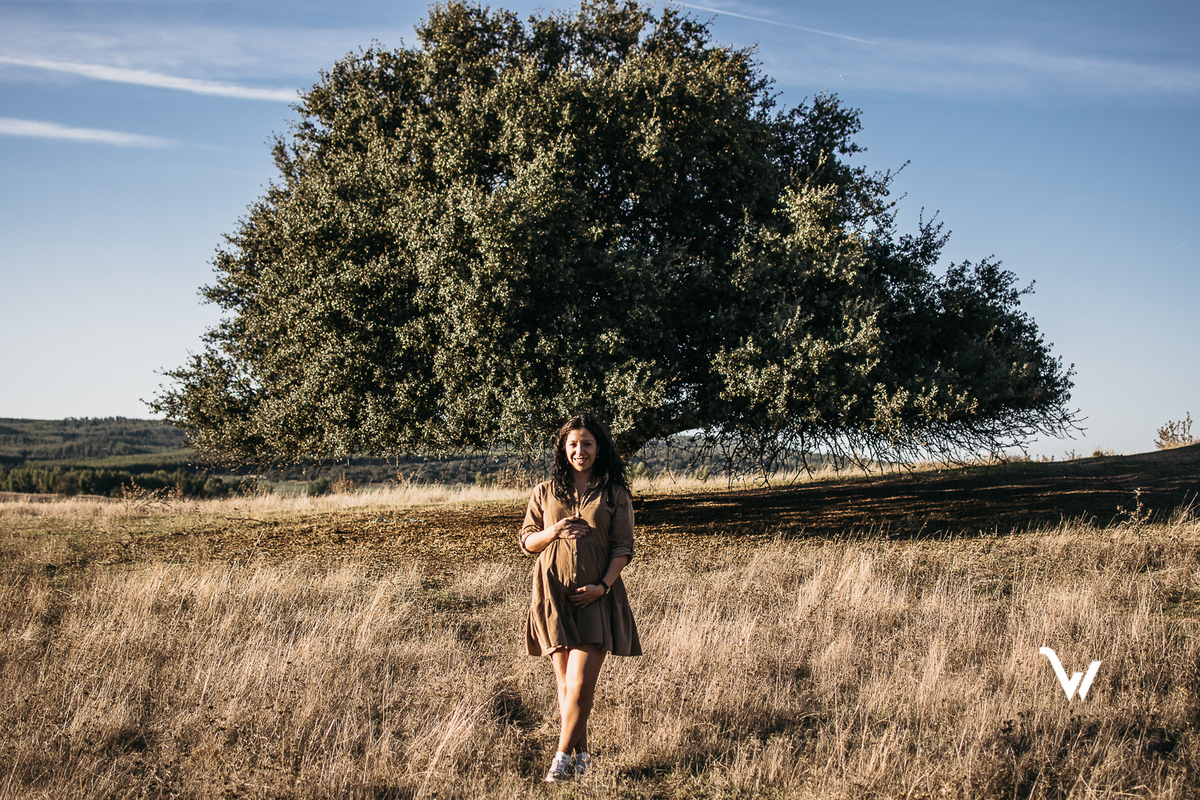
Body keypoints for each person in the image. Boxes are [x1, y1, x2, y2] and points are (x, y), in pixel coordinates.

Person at [519, 413, 642, 782]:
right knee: (565, 685)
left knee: (579, 684)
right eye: (573, 444)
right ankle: (582, 756)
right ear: (563, 447)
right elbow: (527, 542)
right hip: (553, 594)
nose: (580, 450)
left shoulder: (614, 494)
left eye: (587, 443)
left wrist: (602, 586)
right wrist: (553, 531)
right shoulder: (545, 491)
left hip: (596, 597)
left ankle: (560, 758)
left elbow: (623, 547)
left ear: (599, 447)